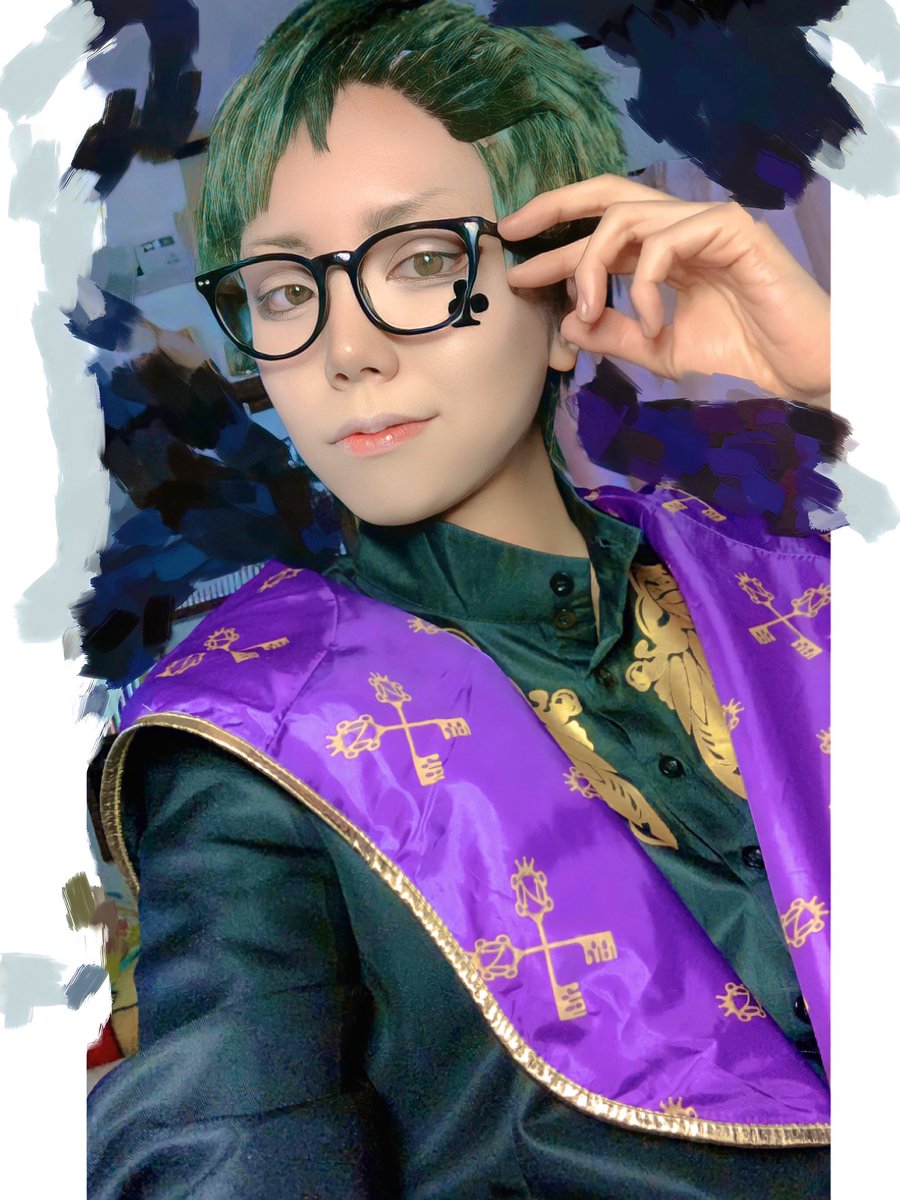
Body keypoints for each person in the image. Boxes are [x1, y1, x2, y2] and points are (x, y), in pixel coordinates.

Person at [87, 2, 832, 1196]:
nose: (346, 350)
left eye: (424, 260)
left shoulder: (790, 592)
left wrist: (838, 367)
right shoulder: (255, 746)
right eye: (283, 290)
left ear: (566, 295)